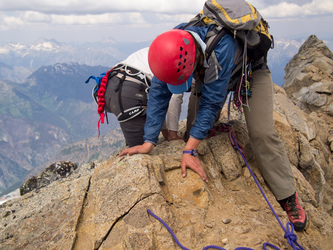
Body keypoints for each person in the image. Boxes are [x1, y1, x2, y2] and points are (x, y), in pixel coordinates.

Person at [119, 16, 307, 232]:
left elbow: (212, 102)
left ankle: (288, 195)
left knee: (261, 133)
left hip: (250, 72)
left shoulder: (221, 47)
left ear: (191, 62)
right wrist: (149, 141)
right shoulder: (169, 51)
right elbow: (159, 93)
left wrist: (189, 151)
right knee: (193, 132)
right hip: (205, 70)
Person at [87, 47, 183, 147]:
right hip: (129, 94)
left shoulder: (149, 50)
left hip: (107, 88)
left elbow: (158, 97)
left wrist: (164, 130)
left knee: (135, 141)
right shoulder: (176, 60)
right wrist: (172, 133)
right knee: (140, 150)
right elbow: (174, 97)